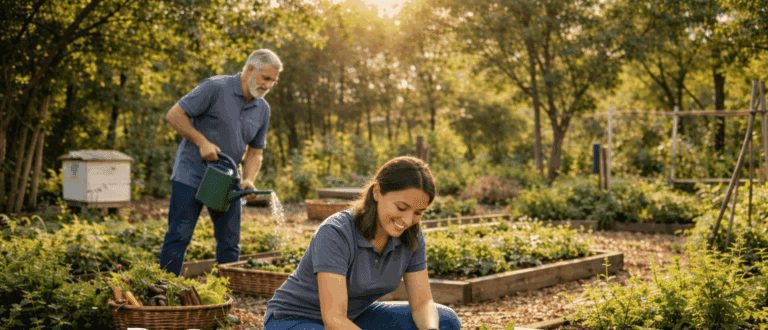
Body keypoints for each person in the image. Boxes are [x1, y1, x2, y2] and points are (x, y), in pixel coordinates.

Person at [264, 156, 461, 330]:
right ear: (377, 192)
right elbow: (333, 319)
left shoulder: (412, 237)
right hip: (293, 319)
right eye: (401, 207)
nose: (408, 220)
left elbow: (422, 303)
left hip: (355, 316)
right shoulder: (335, 233)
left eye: (418, 213)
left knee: (445, 321)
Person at [159, 49, 283, 275]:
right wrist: (201, 142)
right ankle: (165, 294)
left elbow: (255, 152)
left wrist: (248, 179)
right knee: (179, 235)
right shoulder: (215, 88)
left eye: (273, 81)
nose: (269, 85)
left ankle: (225, 298)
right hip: (192, 174)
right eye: (266, 78)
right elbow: (174, 114)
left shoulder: (263, 109)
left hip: (227, 181)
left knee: (229, 242)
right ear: (249, 70)